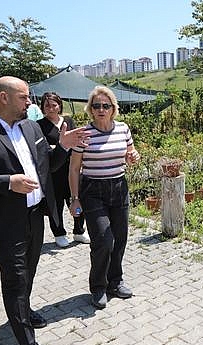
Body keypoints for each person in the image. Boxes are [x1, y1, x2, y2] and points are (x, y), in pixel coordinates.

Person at [0, 76, 89, 345]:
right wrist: (7, 182)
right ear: (4, 98)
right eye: (24, 97)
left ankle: (22, 311)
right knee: (14, 279)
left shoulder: (30, 127)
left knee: (28, 272)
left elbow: (46, 167)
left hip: (34, 216)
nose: (30, 102)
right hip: (4, 222)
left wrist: (63, 147)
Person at [68, 85, 140, 309]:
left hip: (119, 187)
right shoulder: (84, 134)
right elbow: (74, 169)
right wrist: (74, 198)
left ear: (113, 108)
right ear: (90, 109)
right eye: (96, 105)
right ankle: (98, 286)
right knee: (103, 240)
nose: (101, 109)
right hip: (93, 192)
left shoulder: (123, 129)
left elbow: (131, 153)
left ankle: (115, 282)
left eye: (105, 105)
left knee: (120, 238)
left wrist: (133, 156)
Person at [37, 92, 89, 248]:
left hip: (72, 168)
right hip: (54, 173)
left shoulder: (68, 121)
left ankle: (79, 230)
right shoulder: (39, 125)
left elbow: (76, 140)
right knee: (56, 205)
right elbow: (43, 149)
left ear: (59, 105)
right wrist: (60, 147)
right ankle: (59, 233)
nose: (51, 108)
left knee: (76, 199)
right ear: (42, 108)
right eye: (47, 105)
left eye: (54, 105)